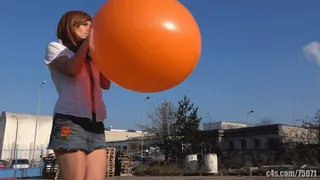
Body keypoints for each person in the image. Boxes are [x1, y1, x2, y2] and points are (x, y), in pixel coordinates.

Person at [44, 11, 111, 180]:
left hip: (96, 124)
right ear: (70, 26)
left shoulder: (92, 55)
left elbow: (106, 84)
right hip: (69, 121)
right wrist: (87, 45)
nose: (90, 28)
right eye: (84, 24)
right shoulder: (56, 49)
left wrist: (105, 54)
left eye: (91, 24)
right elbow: (72, 70)